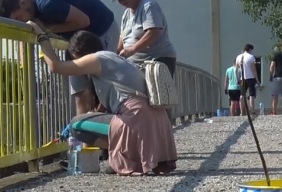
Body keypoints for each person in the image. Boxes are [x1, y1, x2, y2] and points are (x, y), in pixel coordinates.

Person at [33, 27, 177, 176]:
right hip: (157, 124)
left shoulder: (97, 59)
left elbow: (56, 67)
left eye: (76, 60)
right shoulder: (113, 59)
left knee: (76, 125)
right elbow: (112, 101)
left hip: (136, 119)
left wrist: (42, 37)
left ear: (79, 54)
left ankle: (127, 157)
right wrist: (93, 114)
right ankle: (117, 157)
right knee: (86, 121)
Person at [0, 0, 120, 112]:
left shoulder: (47, 4)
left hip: (102, 30)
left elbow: (84, 21)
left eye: (18, 17)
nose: (23, 21)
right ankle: (81, 127)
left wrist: (48, 30)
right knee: (80, 90)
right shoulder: (32, 0)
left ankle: (104, 124)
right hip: (78, 39)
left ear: (23, 3)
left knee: (103, 87)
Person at [111, 0, 177, 77]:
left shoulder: (148, 6)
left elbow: (153, 32)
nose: (121, 1)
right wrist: (112, 55)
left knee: (154, 92)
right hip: (137, 65)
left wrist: (132, 50)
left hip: (156, 62)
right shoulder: (126, 14)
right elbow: (123, 39)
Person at [236, 44, 259, 116]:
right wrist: (257, 80)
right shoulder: (251, 57)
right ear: (249, 49)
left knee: (242, 94)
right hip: (251, 78)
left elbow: (236, 69)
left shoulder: (239, 57)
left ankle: (242, 111)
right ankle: (252, 110)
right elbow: (253, 69)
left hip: (242, 78)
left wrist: (238, 78)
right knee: (252, 94)